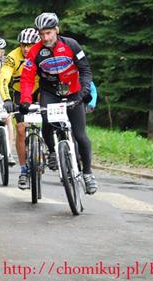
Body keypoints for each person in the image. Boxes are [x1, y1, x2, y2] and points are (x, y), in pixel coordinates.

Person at [19, 12, 97, 194]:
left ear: (56, 30)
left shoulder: (71, 45)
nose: (45, 38)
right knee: (47, 122)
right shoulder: (35, 51)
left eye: (48, 33)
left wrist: (85, 91)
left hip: (73, 91)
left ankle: (87, 174)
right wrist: (25, 100)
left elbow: (85, 70)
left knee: (80, 135)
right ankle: (53, 152)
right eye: (41, 34)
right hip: (50, 92)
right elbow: (27, 78)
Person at [0, 28, 40, 189]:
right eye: (23, 45)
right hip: (19, 93)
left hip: (40, 91)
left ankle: (51, 149)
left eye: (30, 45)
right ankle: (23, 170)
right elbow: (3, 79)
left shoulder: (42, 53)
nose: (27, 49)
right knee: (21, 129)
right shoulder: (12, 57)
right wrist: (7, 99)